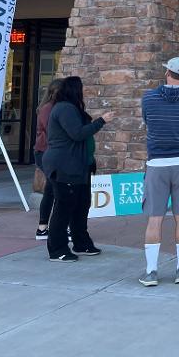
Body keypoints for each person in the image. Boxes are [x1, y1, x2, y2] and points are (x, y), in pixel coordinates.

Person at [138, 57, 179, 287]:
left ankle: (151, 271)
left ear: (168, 73)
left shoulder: (149, 98)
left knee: (154, 218)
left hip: (157, 164)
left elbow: (147, 121)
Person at [42, 76, 113, 262]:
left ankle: (81, 242)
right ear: (74, 90)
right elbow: (78, 134)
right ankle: (57, 249)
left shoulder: (72, 108)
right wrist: (101, 121)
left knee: (81, 205)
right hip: (64, 166)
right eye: (83, 88)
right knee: (64, 207)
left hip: (79, 166)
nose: (85, 91)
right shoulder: (65, 109)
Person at [33, 78, 63, 240]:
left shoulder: (55, 107)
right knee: (57, 190)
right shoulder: (48, 109)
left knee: (51, 190)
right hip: (45, 153)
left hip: (49, 153)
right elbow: (52, 130)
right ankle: (51, 228)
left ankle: (43, 228)